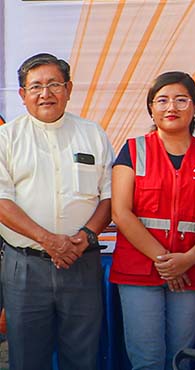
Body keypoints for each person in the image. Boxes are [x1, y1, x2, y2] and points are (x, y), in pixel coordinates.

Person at [0, 53, 113, 369]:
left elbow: (108, 197)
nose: (45, 94)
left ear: (69, 88)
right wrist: (48, 239)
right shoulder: (5, 139)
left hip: (82, 263)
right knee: (27, 359)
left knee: (83, 358)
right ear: (22, 95)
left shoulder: (93, 134)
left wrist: (86, 235)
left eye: (53, 85)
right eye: (35, 86)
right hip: (25, 268)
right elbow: (1, 202)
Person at [110, 71, 195, 370]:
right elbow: (120, 212)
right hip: (139, 272)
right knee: (147, 360)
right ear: (151, 108)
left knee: (181, 359)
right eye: (162, 100)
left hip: (192, 271)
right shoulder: (133, 150)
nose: (171, 107)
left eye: (181, 99)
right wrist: (165, 261)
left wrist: (188, 260)